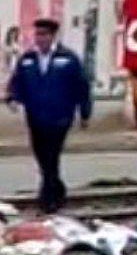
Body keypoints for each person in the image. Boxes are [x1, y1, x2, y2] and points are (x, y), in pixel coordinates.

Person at [6, 18, 92, 213]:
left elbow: (82, 87)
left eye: (44, 34)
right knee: (41, 155)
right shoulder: (28, 59)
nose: (40, 39)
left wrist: (85, 113)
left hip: (60, 116)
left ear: (53, 36)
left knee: (51, 155)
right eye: (37, 34)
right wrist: (12, 97)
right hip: (35, 115)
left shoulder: (68, 59)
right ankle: (57, 189)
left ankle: (48, 199)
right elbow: (17, 82)